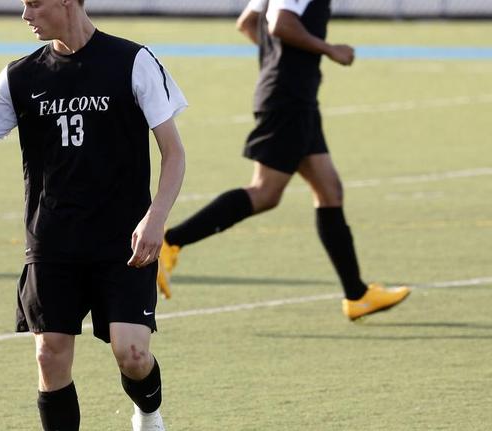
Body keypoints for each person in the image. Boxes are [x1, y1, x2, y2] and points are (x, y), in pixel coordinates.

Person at [0, 0, 186, 429]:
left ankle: (148, 413)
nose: (25, 15)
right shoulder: (19, 76)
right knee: (50, 354)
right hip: (51, 241)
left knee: (132, 354)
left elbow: (173, 154)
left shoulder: (133, 61)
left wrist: (156, 218)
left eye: (33, 4)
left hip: (124, 241)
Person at [156, 0, 410, 321]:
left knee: (329, 190)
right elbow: (279, 24)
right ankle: (170, 241)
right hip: (288, 100)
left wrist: (289, 61)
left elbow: (248, 22)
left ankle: (357, 295)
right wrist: (328, 50)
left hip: (296, 98)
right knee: (264, 192)